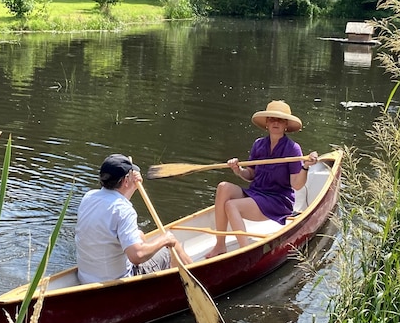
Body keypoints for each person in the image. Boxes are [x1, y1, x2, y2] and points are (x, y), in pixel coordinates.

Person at [206, 100, 320, 259]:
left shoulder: (293, 149)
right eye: (272, 119)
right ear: (267, 123)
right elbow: (251, 175)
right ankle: (220, 245)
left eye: (280, 120)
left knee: (232, 205)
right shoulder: (259, 144)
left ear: (286, 124)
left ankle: (245, 253)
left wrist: (305, 166)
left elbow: (297, 185)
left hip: (278, 200)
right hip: (256, 193)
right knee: (223, 187)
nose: (276, 122)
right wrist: (238, 170)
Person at [75, 153, 190, 284]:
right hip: (116, 281)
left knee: (139, 234)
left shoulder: (89, 197)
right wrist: (166, 239)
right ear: (125, 181)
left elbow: (116, 205)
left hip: (86, 278)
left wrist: (133, 186)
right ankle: (194, 275)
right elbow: (137, 256)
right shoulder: (124, 210)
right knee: (172, 245)